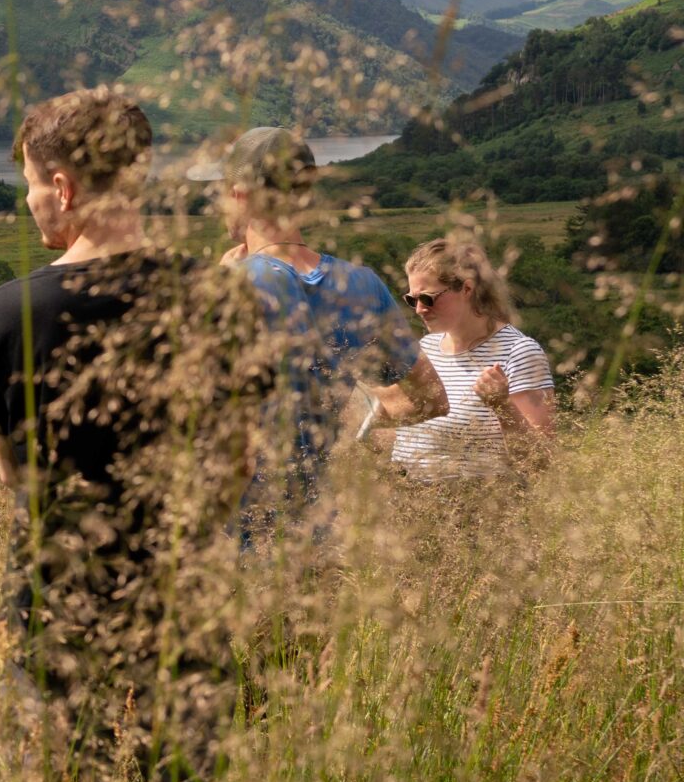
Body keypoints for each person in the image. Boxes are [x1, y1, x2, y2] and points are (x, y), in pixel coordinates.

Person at [0, 89, 272, 782]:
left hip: (53, 599)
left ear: (62, 187)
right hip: (182, 590)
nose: (32, 201)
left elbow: (16, 478)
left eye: (32, 184)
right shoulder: (219, 301)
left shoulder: (4, 315)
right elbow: (239, 464)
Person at [209, 126, 447, 534]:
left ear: (240, 195)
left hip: (240, 535)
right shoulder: (362, 284)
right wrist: (357, 414)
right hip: (327, 530)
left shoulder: (226, 287)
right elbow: (434, 400)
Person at [389, 235, 554, 482]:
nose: (419, 309)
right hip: (409, 506)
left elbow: (540, 461)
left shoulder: (519, 352)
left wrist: (501, 405)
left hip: (479, 510)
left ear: (467, 288)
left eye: (427, 298)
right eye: (412, 299)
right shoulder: (425, 348)